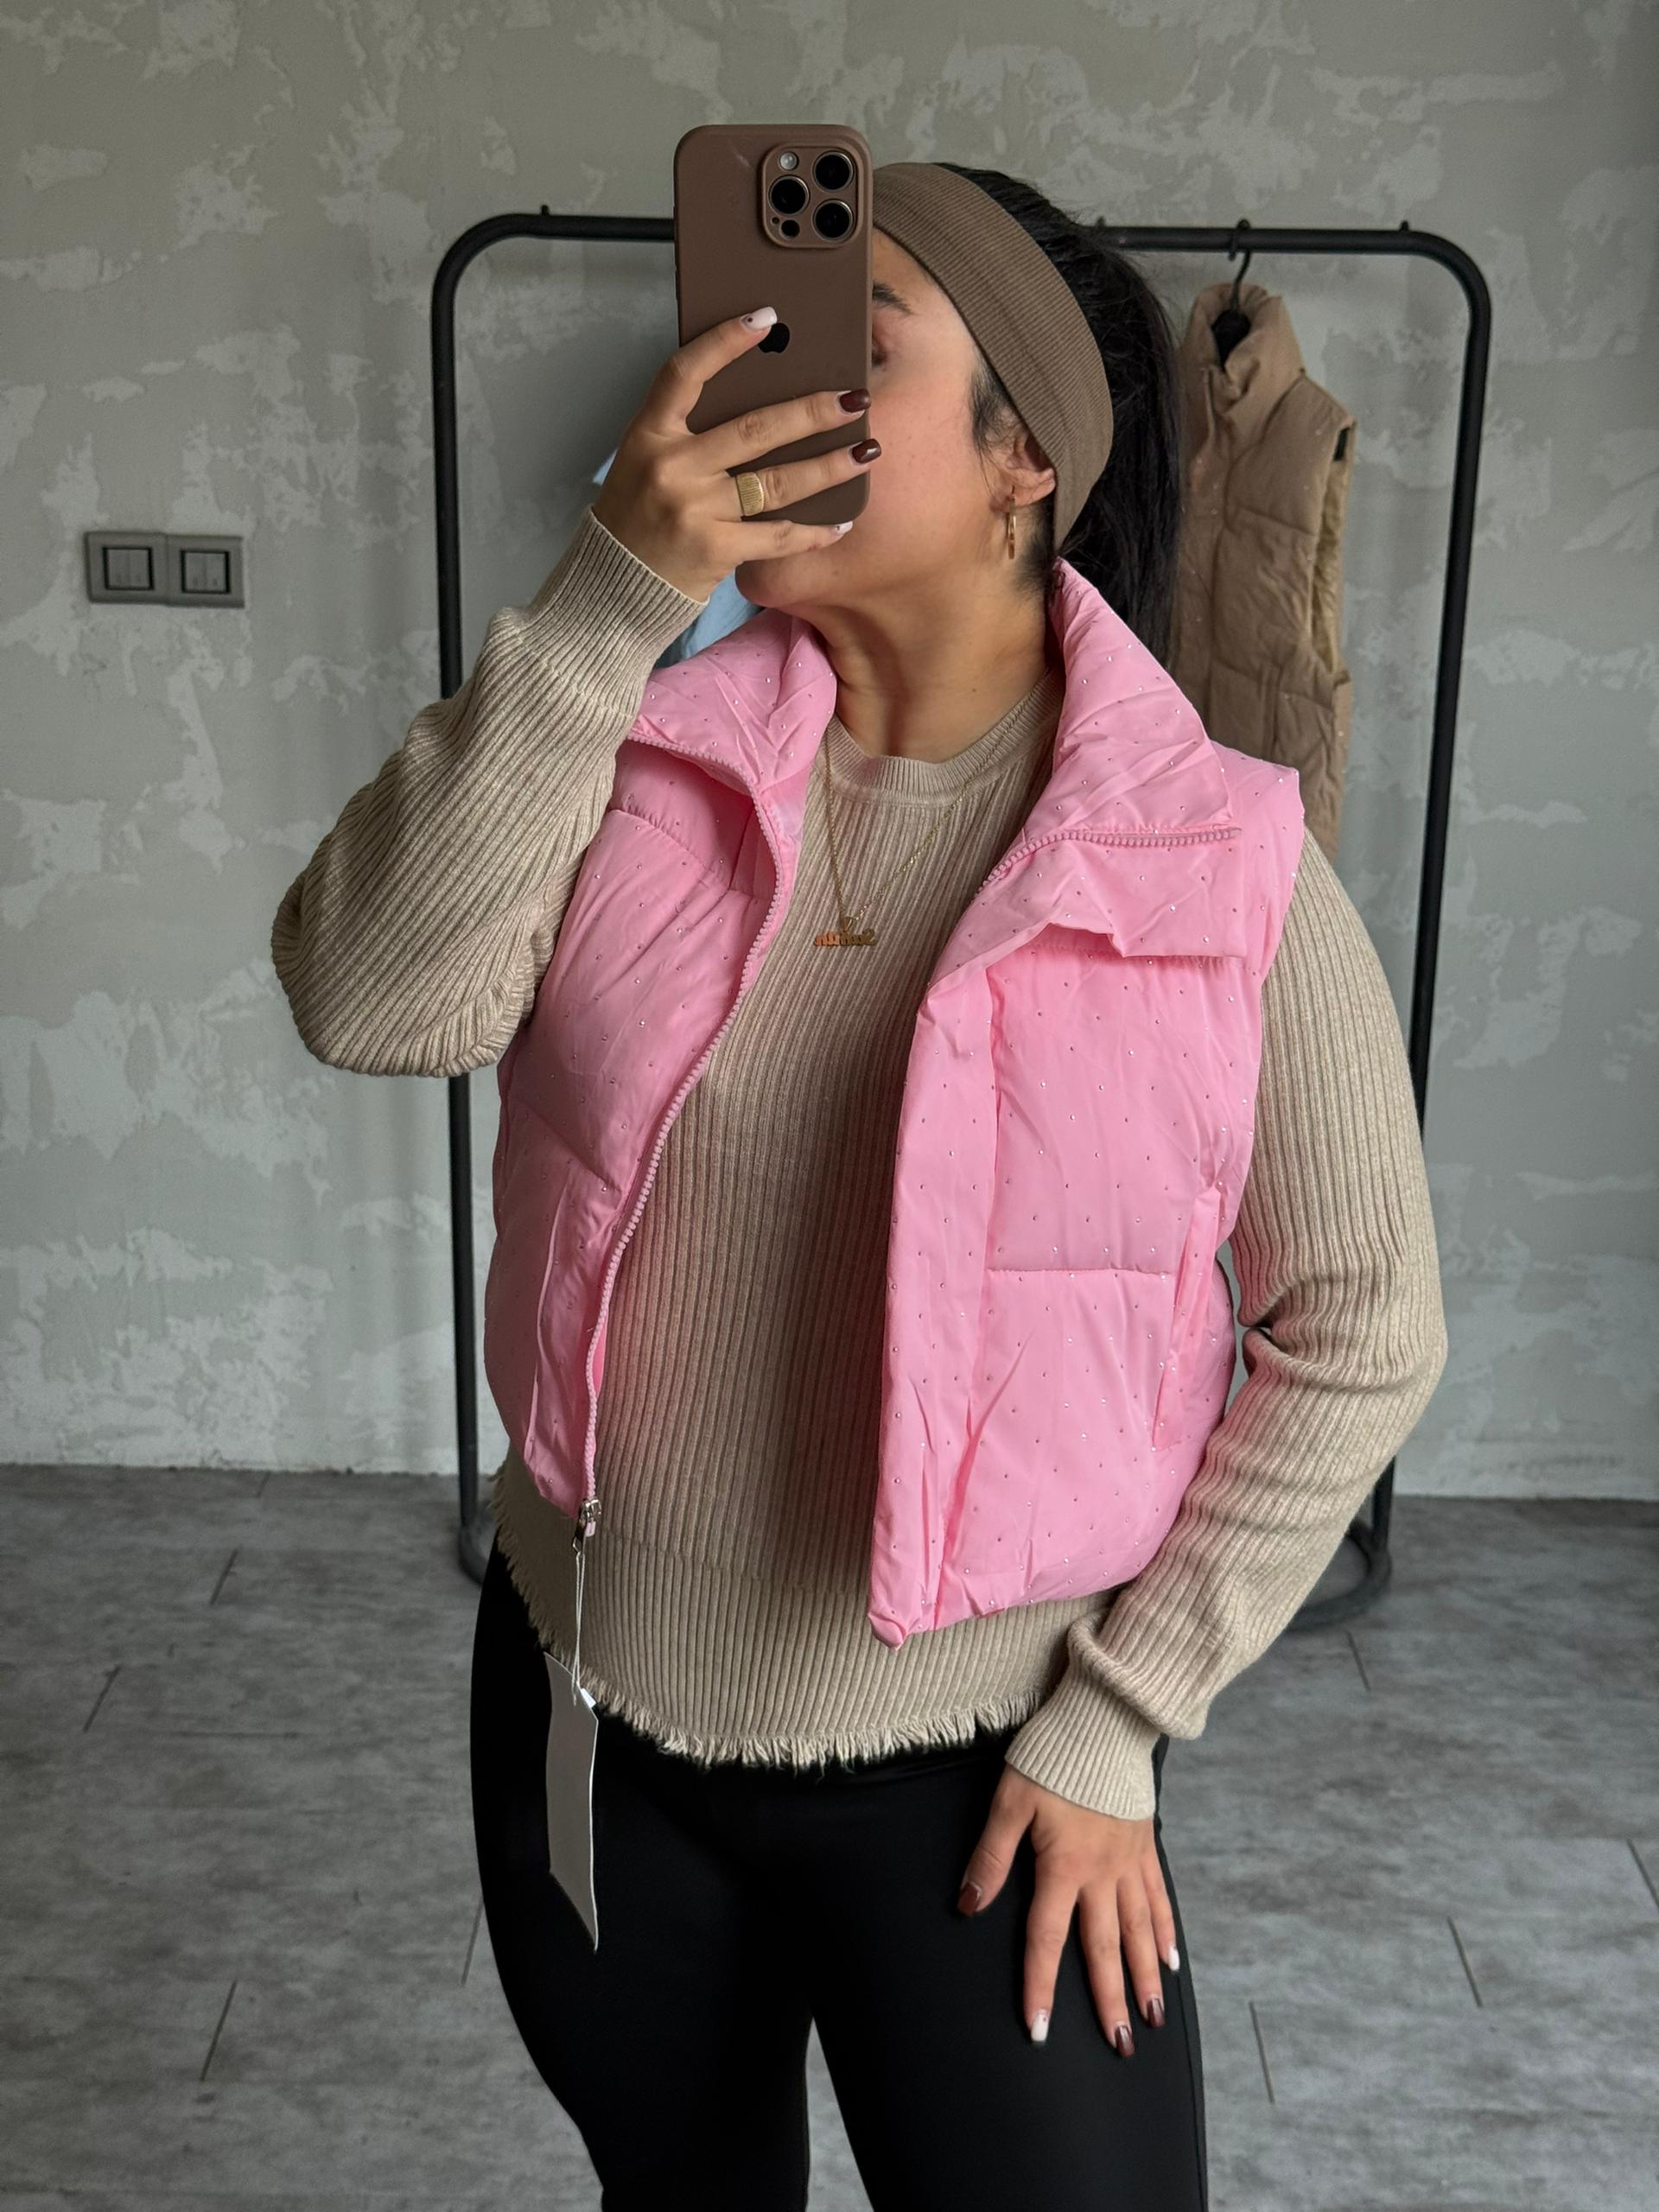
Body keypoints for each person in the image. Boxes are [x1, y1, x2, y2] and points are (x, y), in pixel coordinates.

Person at [271, 161, 1447, 2211]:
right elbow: (365, 996)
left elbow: (1364, 1326)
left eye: (856, 344)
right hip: (590, 1714)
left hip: (986, 1784)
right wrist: (608, 598)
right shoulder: (627, 751)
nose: (762, 383)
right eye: (752, 331)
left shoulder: (1211, 856)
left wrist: (1121, 1717)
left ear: (1021, 462)